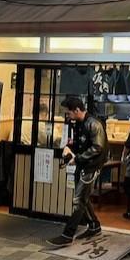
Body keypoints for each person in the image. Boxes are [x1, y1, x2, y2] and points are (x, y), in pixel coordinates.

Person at [47, 96, 107, 247]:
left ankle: (67, 235)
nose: (67, 115)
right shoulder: (79, 123)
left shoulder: (94, 124)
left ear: (77, 110)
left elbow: (97, 147)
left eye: (69, 112)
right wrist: (69, 149)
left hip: (91, 166)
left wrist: (78, 158)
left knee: (79, 200)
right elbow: (79, 144)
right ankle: (94, 226)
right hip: (82, 165)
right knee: (82, 198)